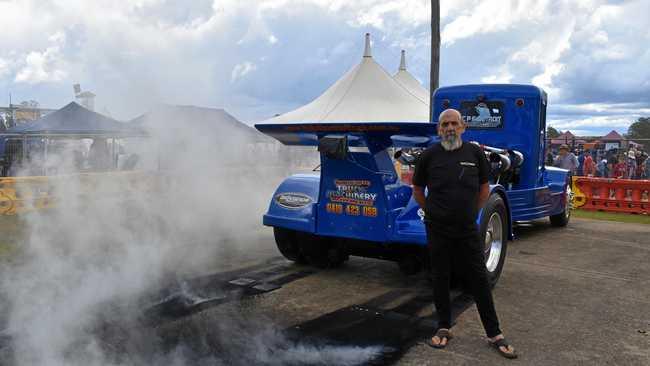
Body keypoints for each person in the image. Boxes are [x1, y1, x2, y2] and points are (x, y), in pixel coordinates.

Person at [412, 109, 517, 359]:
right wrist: (432, 212)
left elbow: (484, 188)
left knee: (479, 279)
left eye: (454, 124)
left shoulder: (474, 153)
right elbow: (417, 188)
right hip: (437, 229)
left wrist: (474, 212)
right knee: (440, 277)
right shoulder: (429, 155)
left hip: (467, 228)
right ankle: (444, 327)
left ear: (462, 127)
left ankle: (495, 334)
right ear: (439, 129)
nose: (450, 128)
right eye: (445, 124)